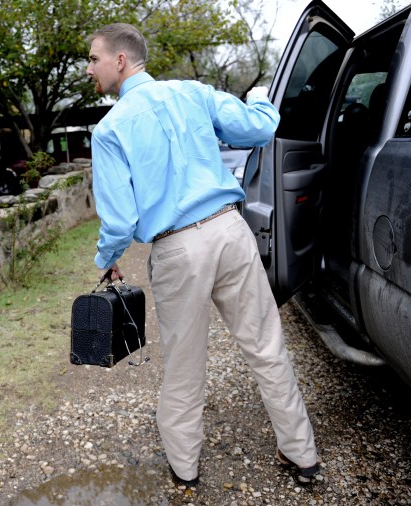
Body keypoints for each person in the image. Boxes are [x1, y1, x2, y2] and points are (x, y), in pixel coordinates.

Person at [86, 23, 320, 487]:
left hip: (178, 250)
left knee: (184, 363)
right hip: (231, 232)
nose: (88, 68)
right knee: (266, 346)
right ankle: (302, 455)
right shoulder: (192, 92)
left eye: (93, 59)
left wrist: (106, 257)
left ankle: (185, 470)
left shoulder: (109, 130)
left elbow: (119, 221)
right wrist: (258, 95)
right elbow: (259, 127)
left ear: (120, 61)